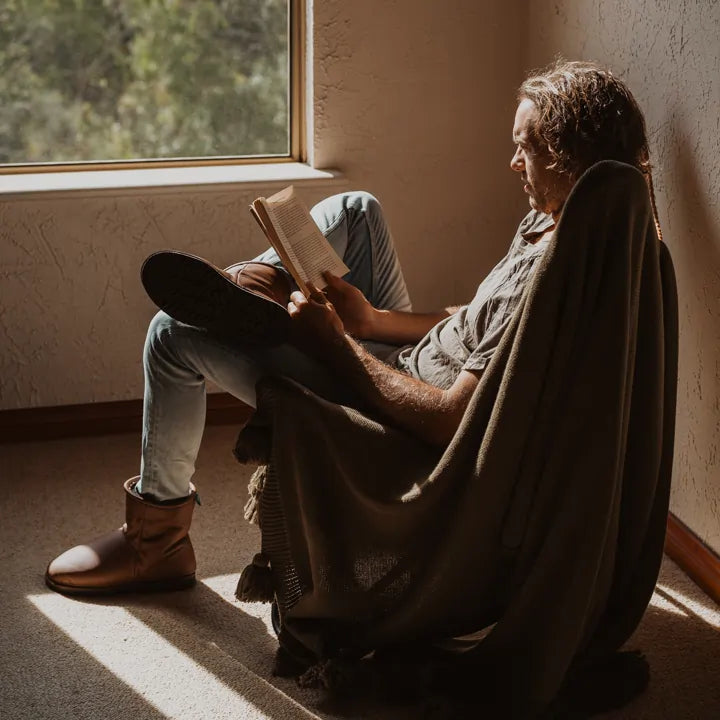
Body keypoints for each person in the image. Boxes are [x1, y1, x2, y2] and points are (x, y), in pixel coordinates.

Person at [45, 59, 661, 596]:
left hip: (388, 410)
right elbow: (473, 320)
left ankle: (157, 543)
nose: (512, 162)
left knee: (170, 336)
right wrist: (372, 319)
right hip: (404, 357)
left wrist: (337, 343)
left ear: (568, 155)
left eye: (525, 148)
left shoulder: (551, 279)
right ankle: (254, 289)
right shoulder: (552, 223)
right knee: (355, 210)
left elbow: (451, 419)